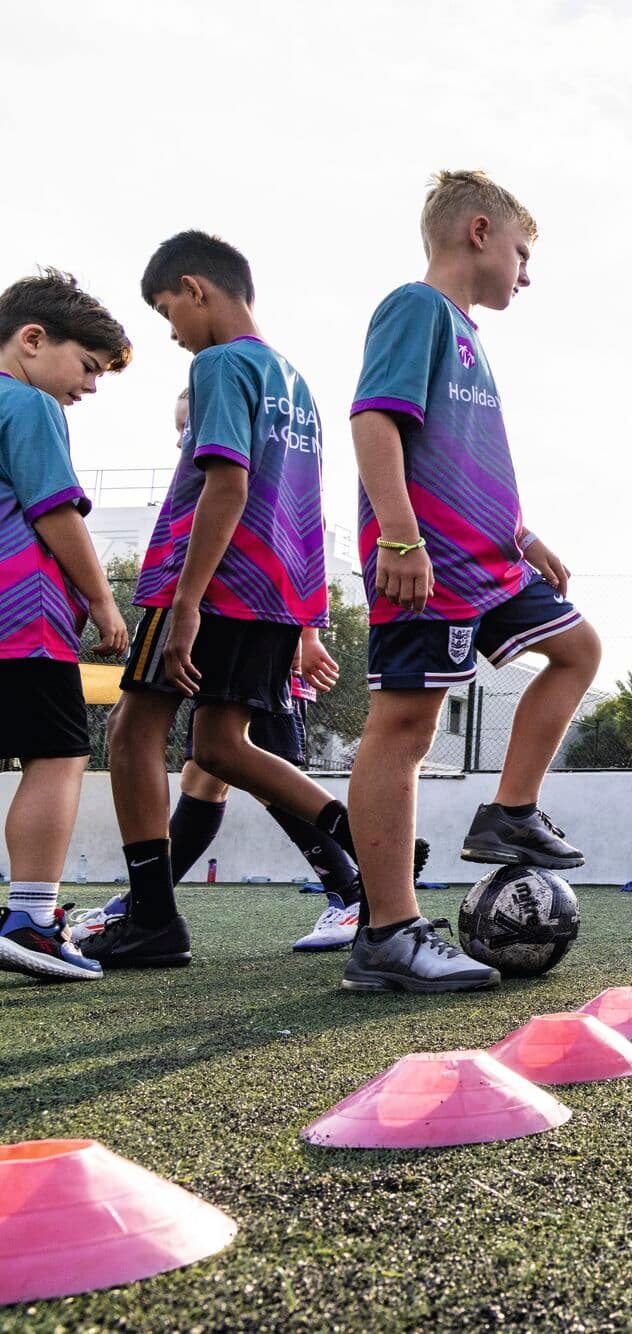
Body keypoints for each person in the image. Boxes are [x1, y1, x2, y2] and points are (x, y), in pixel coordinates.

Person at [344, 170, 600, 993]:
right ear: (479, 232)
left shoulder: (464, 333)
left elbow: (463, 455)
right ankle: (388, 932)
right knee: (406, 730)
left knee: (578, 649)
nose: (527, 274)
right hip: (427, 563)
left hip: (488, 561)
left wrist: (521, 533)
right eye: (523, 253)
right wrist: (399, 535)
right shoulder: (413, 308)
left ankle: (509, 814)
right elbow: (375, 419)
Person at [91, 230, 362, 971]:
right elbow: (301, 501)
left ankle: (151, 918)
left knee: (131, 732)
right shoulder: (295, 380)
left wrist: (185, 602)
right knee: (217, 748)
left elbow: (228, 484)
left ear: (197, 287)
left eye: (166, 309)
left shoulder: (219, 363)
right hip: (276, 591)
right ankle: (357, 835)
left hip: (210, 585)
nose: (171, 332)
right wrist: (304, 612)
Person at [74, 389, 426, 954]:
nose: (185, 440)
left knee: (171, 742)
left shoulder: (230, 392)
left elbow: (260, 508)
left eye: (188, 429)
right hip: (251, 609)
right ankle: (151, 903)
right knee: (207, 765)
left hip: (233, 607)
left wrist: (305, 632)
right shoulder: (291, 417)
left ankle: (349, 886)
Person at [0, 269, 132, 983]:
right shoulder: (27, 405)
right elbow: (55, 511)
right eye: (86, 366)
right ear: (31, 339)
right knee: (56, 755)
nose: (88, 385)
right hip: (21, 618)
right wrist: (103, 602)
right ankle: (35, 917)